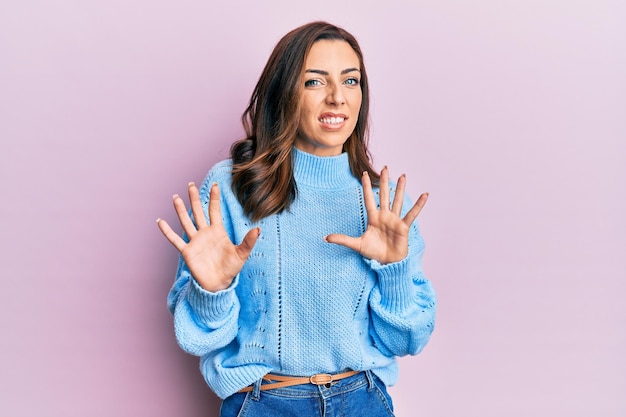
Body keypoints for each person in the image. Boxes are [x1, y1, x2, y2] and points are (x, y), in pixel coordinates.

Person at [157, 21, 436, 417]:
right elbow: (201, 338)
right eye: (315, 82)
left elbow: (405, 339)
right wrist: (212, 291)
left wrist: (394, 272)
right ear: (284, 91)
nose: (337, 98)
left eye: (351, 81)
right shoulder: (231, 187)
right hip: (264, 404)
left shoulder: (381, 205)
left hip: (363, 401)